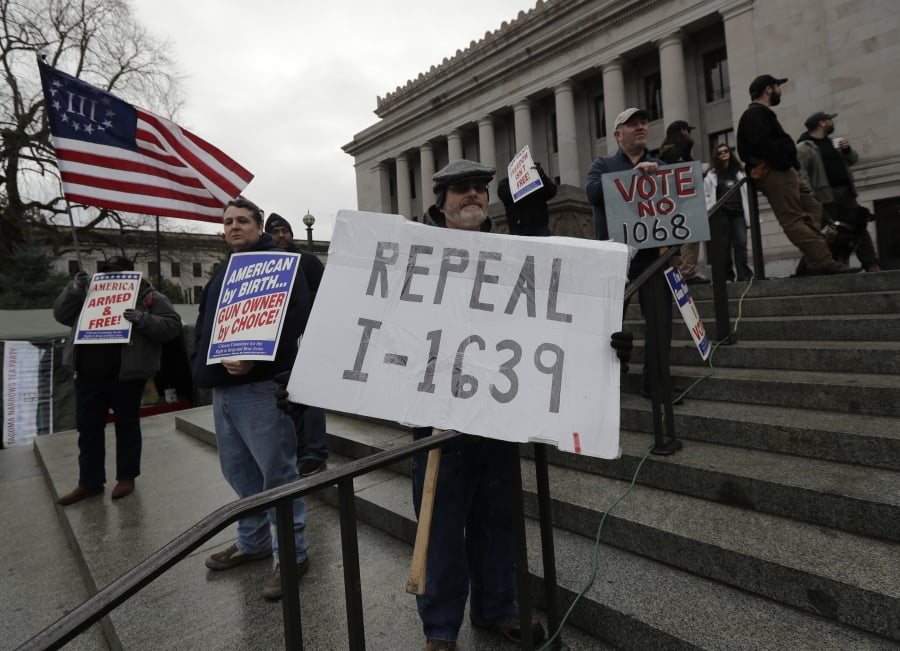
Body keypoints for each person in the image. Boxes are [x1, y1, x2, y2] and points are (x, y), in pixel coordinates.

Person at [414, 160, 630, 651]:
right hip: (436, 419)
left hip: (499, 413)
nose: (472, 195)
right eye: (461, 189)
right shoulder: (415, 251)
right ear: (440, 200)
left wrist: (604, 341)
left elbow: (555, 316)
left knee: (497, 517)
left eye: (479, 189)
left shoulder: (515, 251)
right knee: (442, 527)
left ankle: (499, 609)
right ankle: (440, 629)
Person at [194, 198, 311, 601]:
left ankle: (292, 553)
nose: (233, 227)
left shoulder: (279, 264)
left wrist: (257, 359)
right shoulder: (224, 269)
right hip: (223, 388)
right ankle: (253, 540)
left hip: (260, 387)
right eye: (227, 222)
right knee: (240, 475)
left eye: (242, 220)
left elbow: (297, 321)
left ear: (259, 226)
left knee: (276, 475)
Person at [53, 256, 181, 505]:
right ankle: (89, 482)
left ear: (130, 275)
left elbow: (173, 326)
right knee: (88, 431)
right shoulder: (89, 292)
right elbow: (61, 314)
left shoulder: (149, 295)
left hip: (126, 377)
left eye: (117, 272)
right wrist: (74, 289)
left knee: (127, 428)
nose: (113, 277)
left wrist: (143, 319)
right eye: (108, 272)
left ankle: (127, 477)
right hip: (88, 376)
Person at [585, 107, 684, 405]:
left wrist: (676, 250)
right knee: (608, 323)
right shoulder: (602, 164)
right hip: (614, 257)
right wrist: (632, 178)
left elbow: (676, 208)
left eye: (643, 122)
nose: (641, 127)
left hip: (653, 257)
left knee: (659, 322)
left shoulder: (660, 164)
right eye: (632, 124)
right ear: (618, 134)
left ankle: (655, 384)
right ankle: (602, 381)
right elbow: (592, 193)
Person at [736, 74, 859, 275]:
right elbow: (760, 145)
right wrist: (782, 160)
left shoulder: (763, 114)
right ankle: (821, 261)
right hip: (775, 172)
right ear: (769, 89)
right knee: (792, 219)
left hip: (786, 171)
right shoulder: (754, 115)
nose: (780, 91)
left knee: (813, 211)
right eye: (778, 87)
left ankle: (814, 257)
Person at [264, 212, 330, 475]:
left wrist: (299, 297)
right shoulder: (265, 263)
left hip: (308, 336)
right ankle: (301, 449)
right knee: (289, 397)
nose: (281, 236)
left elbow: (327, 293)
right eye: (275, 231)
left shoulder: (308, 261)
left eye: (285, 231)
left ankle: (315, 451)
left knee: (309, 396)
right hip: (280, 342)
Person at [796, 112, 881, 272]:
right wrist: (811, 198)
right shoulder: (804, 147)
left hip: (846, 193)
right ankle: (828, 265)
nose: (831, 123)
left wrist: (847, 150)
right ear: (822, 123)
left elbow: (853, 160)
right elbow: (802, 174)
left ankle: (871, 263)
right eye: (829, 120)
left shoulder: (833, 143)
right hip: (824, 197)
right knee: (827, 234)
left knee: (859, 227)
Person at [659, 120, 710, 285]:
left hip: (679, 204)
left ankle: (687, 271)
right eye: (688, 131)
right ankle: (686, 273)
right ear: (682, 131)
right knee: (689, 237)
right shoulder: (674, 153)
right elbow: (678, 179)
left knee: (690, 237)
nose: (690, 135)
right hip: (682, 204)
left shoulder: (673, 152)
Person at [704, 144, 753, 281]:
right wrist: (711, 208)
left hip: (738, 213)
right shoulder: (711, 175)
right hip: (721, 214)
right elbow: (706, 195)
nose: (723, 154)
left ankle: (744, 275)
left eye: (726, 151)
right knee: (723, 246)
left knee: (741, 244)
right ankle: (727, 276)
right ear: (716, 156)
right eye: (720, 153)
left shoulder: (739, 172)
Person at [496, 161, 557, 236]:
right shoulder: (505, 183)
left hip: (539, 227)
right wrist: (522, 184)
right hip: (518, 229)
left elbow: (552, 191)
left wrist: (542, 176)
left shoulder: (539, 179)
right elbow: (503, 194)